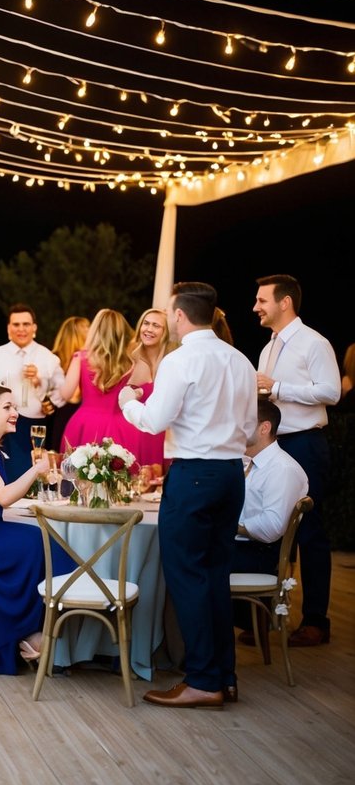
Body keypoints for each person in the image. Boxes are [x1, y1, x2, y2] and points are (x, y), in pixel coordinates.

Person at [120, 281, 257, 708]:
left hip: (195, 473)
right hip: (232, 475)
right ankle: (223, 677)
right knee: (215, 574)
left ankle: (202, 680)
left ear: (179, 315)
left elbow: (155, 420)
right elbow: (252, 431)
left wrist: (127, 401)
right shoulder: (240, 360)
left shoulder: (180, 361)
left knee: (187, 575)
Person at [0, 384, 74, 674]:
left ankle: (36, 631)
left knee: (43, 539)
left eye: (14, 407)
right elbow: (3, 496)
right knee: (39, 543)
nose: (15, 413)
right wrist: (36, 470)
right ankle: (32, 631)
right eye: (7, 407)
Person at [252, 273, 341, 648]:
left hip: (305, 444)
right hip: (272, 445)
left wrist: (277, 388)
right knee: (265, 526)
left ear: (284, 302)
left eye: (262, 300)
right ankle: (260, 618)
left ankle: (316, 621)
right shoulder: (268, 346)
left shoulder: (314, 343)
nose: (256, 307)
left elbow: (331, 392)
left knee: (308, 530)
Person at [232, 400, 309, 638]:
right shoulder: (250, 463)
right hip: (243, 548)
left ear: (264, 428)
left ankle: (193, 652)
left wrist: (228, 526)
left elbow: (272, 528)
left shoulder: (281, 469)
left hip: (258, 554)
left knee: (186, 565)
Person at [0, 304, 65, 482]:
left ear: (34, 327)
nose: (21, 329)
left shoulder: (49, 357)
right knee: (4, 478)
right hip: (0, 430)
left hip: (36, 429)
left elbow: (62, 393)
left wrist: (44, 390)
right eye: (16, 325)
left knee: (34, 479)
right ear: (9, 328)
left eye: (26, 324)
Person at [56, 309, 150, 464]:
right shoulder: (133, 362)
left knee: (80, 480)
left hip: (85, 424)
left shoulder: (81, 358)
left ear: (95, 330)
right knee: (120, 482)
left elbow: (66, 394)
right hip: (123, 427)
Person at [125, 308, 172, 470]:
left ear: (166, 332)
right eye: (146, 323)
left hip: (160, 434)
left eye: (156, 325)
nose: (149, 329)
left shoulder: (171, 361)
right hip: (128, 433)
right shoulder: (128, 357)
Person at [47, 316, 89, 455]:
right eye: (87, 329)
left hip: (57, 415)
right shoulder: (84, 360)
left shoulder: (54, 357)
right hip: (69, 414)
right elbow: (74, 396)